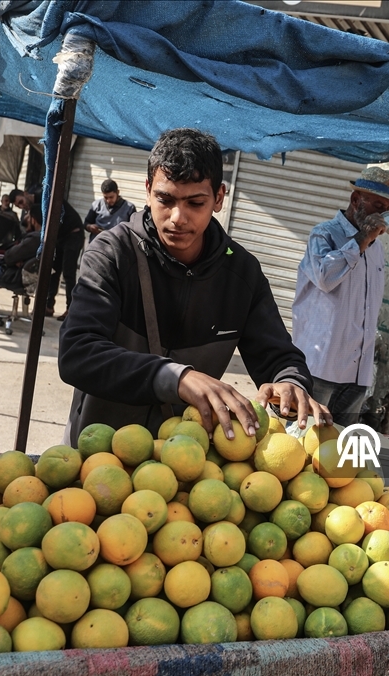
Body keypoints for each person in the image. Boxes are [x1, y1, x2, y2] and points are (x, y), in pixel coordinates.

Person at [58, 127, 329, 446]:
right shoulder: (112, 254)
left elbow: (278, 356)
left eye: (195, 203)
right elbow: (77, 352)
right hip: (99, 454)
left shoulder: (242, 273)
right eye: (165, 199)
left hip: (187, 461)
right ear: (148, 191)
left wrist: (290, 381)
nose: (177, 217)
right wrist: (176, 378)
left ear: (219, 198)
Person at [290, 167, 389, 425]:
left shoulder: (377, 249)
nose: (383, 215)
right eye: (378, 206)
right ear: (356, 200)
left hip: (357, 370)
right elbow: (325, 278)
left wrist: (368, 240)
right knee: (303, 437)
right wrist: (361, 240)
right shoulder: (324, 234)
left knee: (341, 443)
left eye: (387, 209)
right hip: (320, 366)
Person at [10, 187, 84, 320]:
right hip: (59, 237)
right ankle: (48, 306)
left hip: (73, 234)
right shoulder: (34, 209)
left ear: (25, 194)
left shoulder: (45, 197)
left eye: (21, 202)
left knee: (68, 272)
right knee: (53, 271)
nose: (22, 206)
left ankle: (71, 309)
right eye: (18, 206)